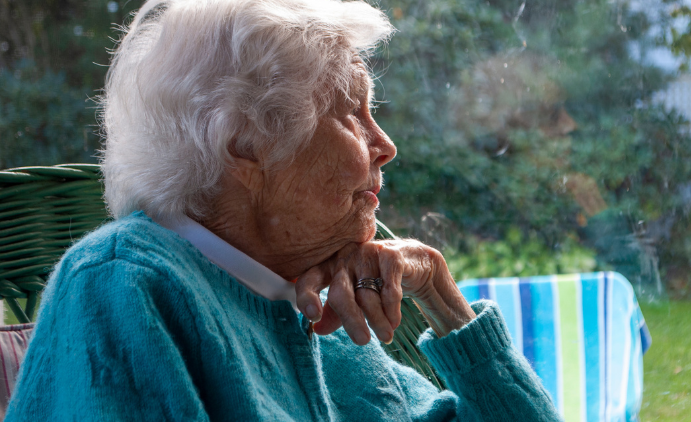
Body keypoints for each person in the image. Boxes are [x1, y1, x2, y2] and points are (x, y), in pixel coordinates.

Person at [6, 0, 562, 420]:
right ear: (246, 143)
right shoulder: (122, 287)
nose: (385, 144)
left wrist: (440, 296)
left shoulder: (322, 319)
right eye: (350, 112)